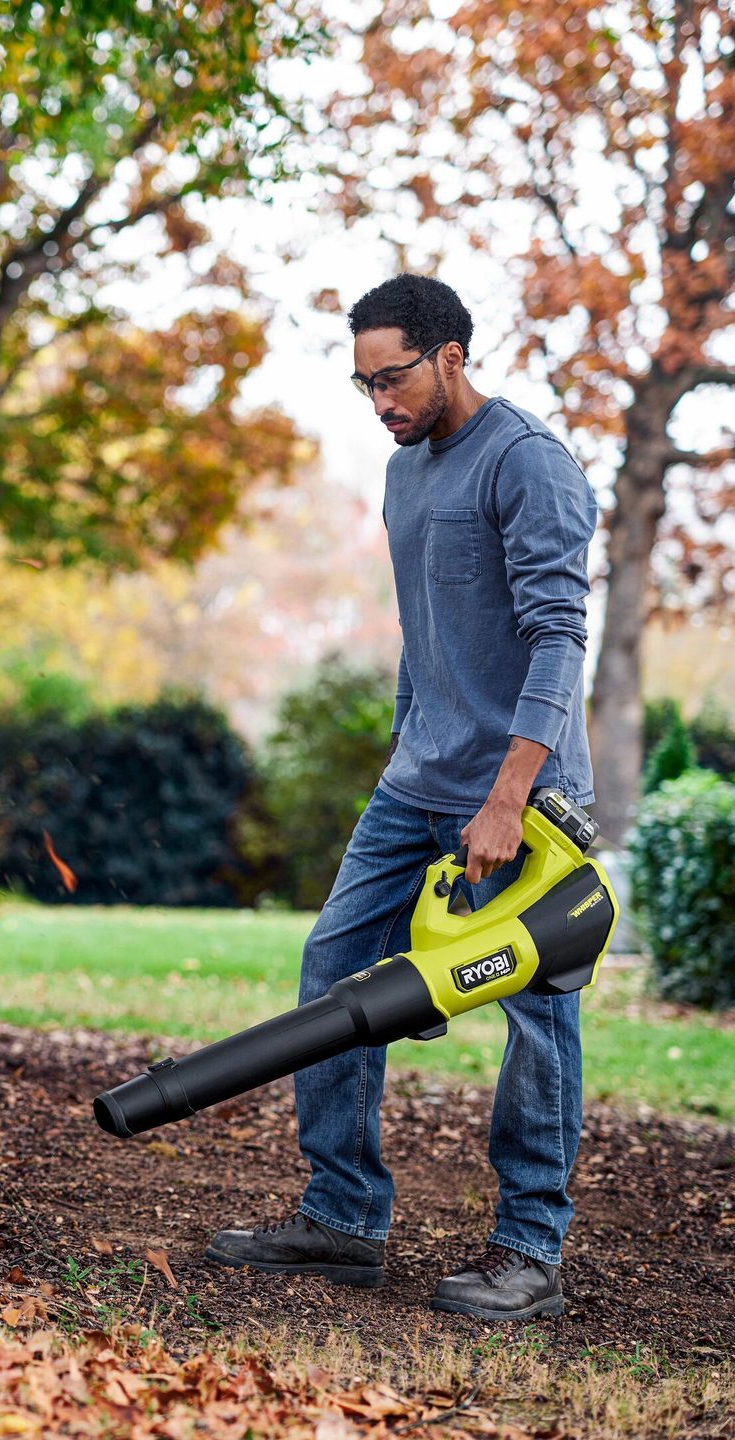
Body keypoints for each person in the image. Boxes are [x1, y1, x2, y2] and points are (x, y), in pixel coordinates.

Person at [206, 274, 598, 1321]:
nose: (380, 401)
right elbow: (426, 635)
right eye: (363, 384)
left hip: (523, 798)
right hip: (416, 784)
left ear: (452, 357)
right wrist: (404, 748)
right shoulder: (404, 472)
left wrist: (511, 795)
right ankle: (343, 1220)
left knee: (536, 1014)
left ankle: (529, 1252)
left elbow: (560, 638)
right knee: (334, 967)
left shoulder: (529, 464)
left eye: (394, 378)